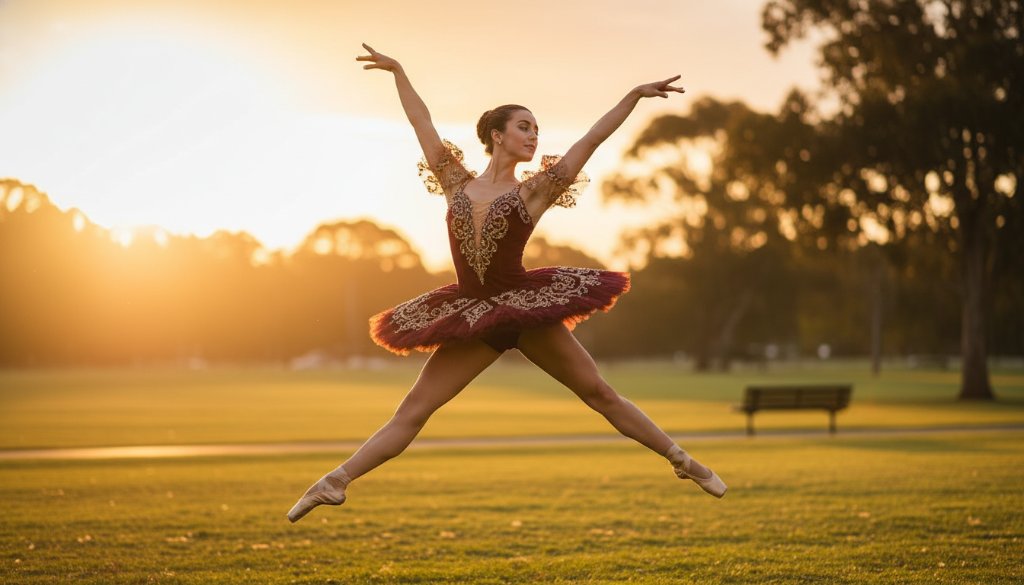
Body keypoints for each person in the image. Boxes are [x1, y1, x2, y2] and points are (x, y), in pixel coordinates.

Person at [287, 43, 726, 523]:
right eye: (524, 126)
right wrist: (399, 71)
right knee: (412, 410)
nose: (533, 136)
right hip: (472, 316)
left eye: (537, 130)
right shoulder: (455, 182)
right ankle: (335, 481)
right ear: (496, 135)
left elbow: (591, 140)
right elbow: (421, 124)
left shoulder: (534, 191)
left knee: (599, 394)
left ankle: (683, 461)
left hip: (524, 308)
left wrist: (633, 96)